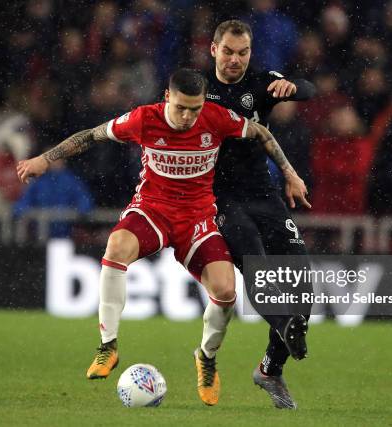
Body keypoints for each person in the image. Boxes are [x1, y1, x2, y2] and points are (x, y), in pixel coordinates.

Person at [16, 68, 309, 406]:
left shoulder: (216, 118)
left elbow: (260, 132)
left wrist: (289, 172)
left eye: (195, 109)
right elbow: (92, 135)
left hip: (197, 218)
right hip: (153, 210)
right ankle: (107, 347)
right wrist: (44, 158)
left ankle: (206, 359)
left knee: (227, 290)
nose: (187, 117)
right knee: (116, 246)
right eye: (181, 108)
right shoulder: (143, 119)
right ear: (167, 97)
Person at [207, 20, 315, 409]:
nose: (236, 60)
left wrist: (293, 87)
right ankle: (287, 325)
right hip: (219, 198)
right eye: (229, 51)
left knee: (302, 283)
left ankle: (270, 368)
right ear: (213, 49)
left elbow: (308, 89)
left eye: (243, 52)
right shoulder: (197, 90)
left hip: (263, 195)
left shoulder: (260, 83)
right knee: (258, 262)